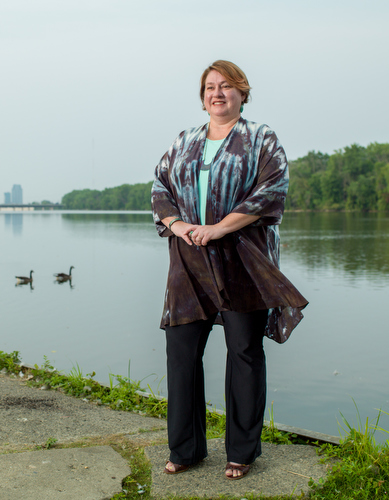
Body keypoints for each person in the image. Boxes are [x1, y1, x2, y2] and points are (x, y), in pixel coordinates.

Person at [151, 60, 308, 480]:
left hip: (242, 258)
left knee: (244, 351)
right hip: (188, 259)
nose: (217, 93)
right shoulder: (185, 140)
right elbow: (159, 187)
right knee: (181, 352)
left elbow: (271, 190)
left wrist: (219, 228)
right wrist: (181, 226)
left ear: (242, 91)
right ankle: (185, 449)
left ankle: (241, 451)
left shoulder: (260, 138)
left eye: (225, 86)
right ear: (202, 97)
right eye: (209, 87)